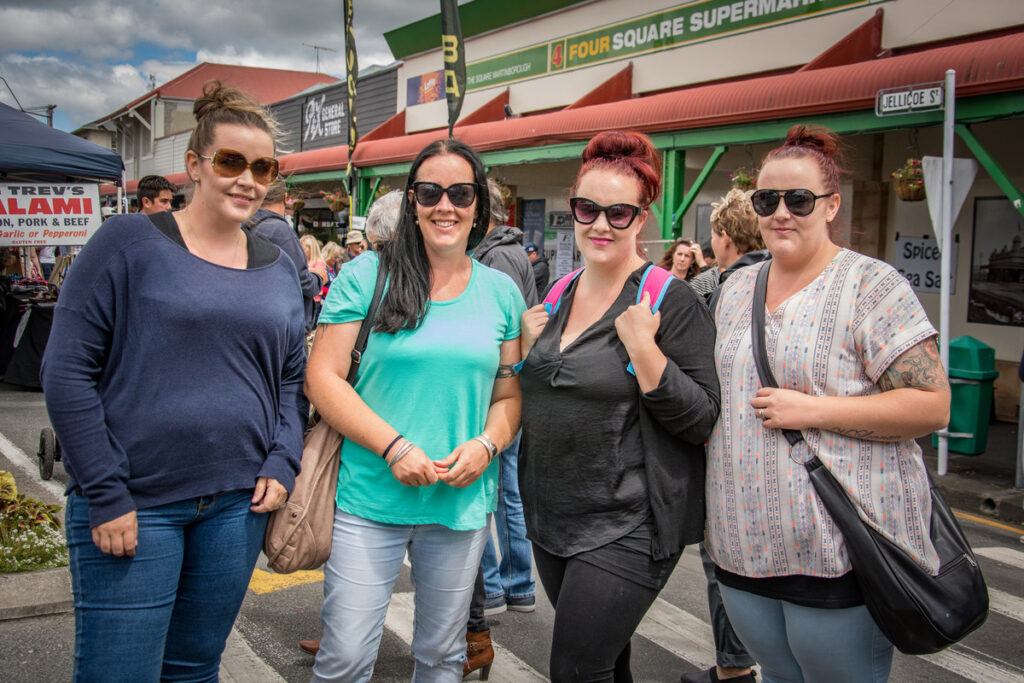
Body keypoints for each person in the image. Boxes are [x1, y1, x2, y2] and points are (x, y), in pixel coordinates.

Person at [40, 81, 307, 682]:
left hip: (237, 507)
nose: (248, 179)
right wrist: (105, 491)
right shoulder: (127, 244)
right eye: (231, 161)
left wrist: (282, 459)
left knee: (192, 671)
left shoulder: (278, 266)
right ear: (194, 165)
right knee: (120, 673)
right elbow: (65, 371)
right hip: (136, 504)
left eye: (262, 167)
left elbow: (291, 376)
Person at [705, 125, 950, 683]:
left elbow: (933, 406)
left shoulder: (872, 285)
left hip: (839, 545)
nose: (781, 213)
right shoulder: (737, 288)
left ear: (831, 204)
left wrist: (815, 411)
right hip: (743, 545)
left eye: (799, 199)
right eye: (767, 200)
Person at [304, 137, 526, 681]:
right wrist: (394, 446)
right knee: (346, 657)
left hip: (459, 504)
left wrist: (486, 445)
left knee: (443, 656)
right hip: (369, 498)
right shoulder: (365, 276)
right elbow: (323, 378)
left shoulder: (501, 294)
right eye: (430, 191)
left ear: (479, 207)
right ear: (411, 201)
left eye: (460, 193)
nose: (444, 205)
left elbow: (509, 396)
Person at [518, 131, 720, 681]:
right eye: (588, 208)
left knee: (576, 669)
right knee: (607, 662)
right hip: (552, 513)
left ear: (643, 217)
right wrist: (515, 352)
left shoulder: (668, 301)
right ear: (573, 208)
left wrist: (645, 351)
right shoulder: (556, 294)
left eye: (619, 212)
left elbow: (703, 417)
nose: (601, 224)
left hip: (629, 520)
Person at [679, 187, 766, 683]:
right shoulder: (788, 280)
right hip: (780, 436)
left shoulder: (710, 286)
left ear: (725, 236)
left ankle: (733, 667)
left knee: (720, 556)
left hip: (720, 437)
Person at [462, 178, 540, 677]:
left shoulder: (495, 259)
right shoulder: (507, 250)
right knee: (504, 491)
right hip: (506, 387)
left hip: (505, 390)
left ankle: (508, 585)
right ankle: (509, 585)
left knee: (503, 492)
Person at [246, 177, 325, 332]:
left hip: (256, 318)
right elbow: (304, 284)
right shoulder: (279, 230)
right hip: (284, 325)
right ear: (285, 198)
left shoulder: (246, 226)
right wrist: (319, 277)